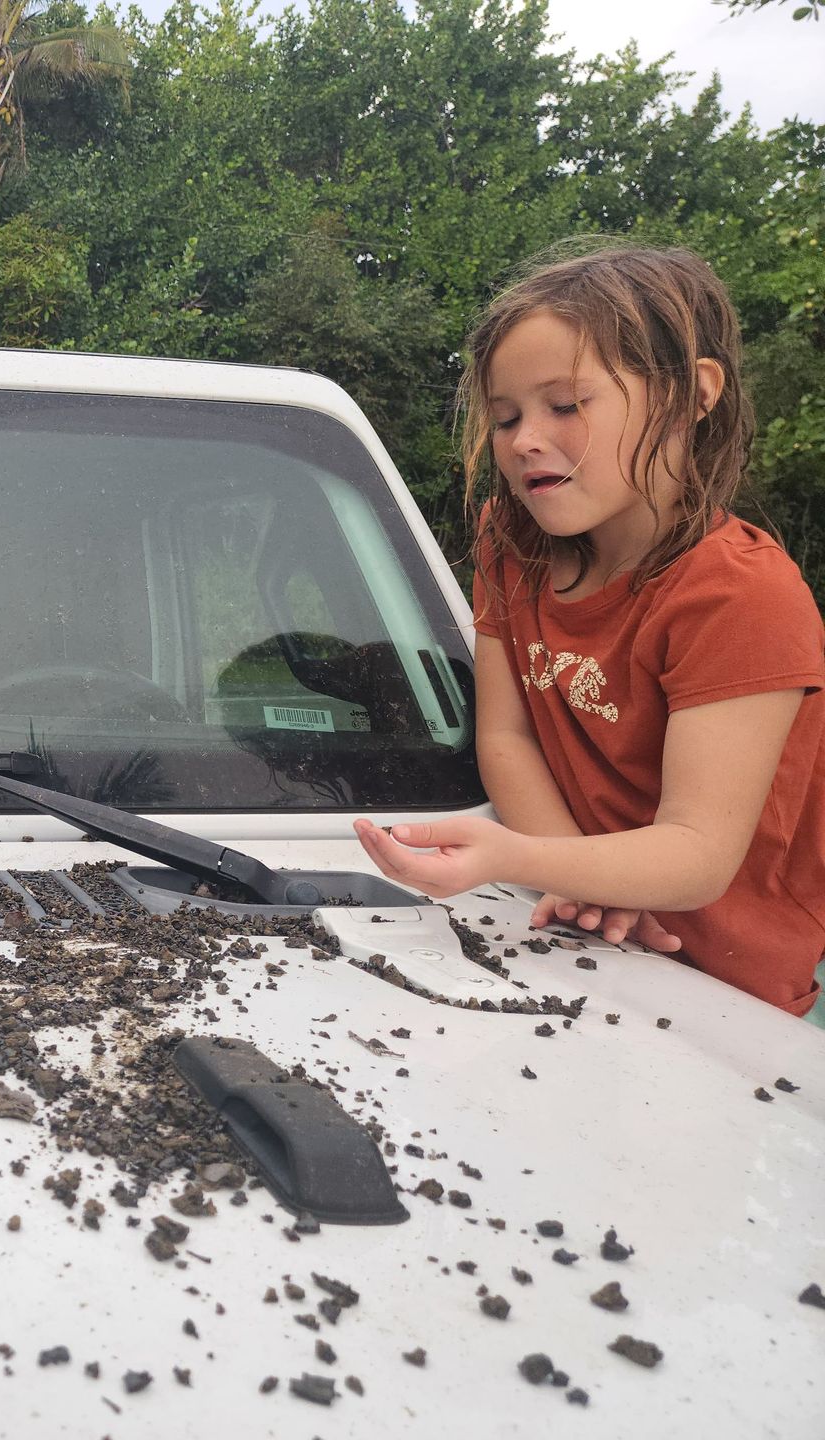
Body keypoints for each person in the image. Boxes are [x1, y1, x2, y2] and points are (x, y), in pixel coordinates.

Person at [352, 243, 825, 1016]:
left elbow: (699, 851)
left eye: (565, 405)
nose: (523, 438)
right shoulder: (512, 542)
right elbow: (507, 738)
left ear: (692, 396)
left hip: (724, 992)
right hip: (564, 934)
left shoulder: (742, 597)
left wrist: (516, 857)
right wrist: (573, 875)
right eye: (504, 417)